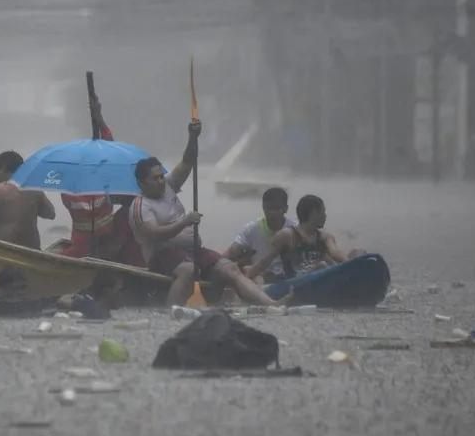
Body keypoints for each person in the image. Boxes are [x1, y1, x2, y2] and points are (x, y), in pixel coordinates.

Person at [129, 119, 290, 308]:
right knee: (189, 270)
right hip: (162, 256)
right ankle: (170, 312)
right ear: (142, 184)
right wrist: (184, 222)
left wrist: (193, 137)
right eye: (154, 179)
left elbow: (188, 161)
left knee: (231, 268)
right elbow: (155, 233)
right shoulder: (140, 206)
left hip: (193, 251)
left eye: (160, 176)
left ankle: (272, 305)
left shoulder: (169, 186)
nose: (160, 181)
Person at [245, 194, 365, 281]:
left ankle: (354, 278)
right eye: (322, 212)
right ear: (313, 213)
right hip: (297, 281)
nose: (325, 216)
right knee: (322, 265)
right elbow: (265, 261)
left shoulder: (324, 236)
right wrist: (245, 279)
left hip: (324, 274)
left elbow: (335, 253)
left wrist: (351, 264)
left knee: (358, 252)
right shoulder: (286, 235)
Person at [59, 94, 117, 259]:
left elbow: (110, 151)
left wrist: (99, 118)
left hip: (103, 245)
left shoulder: (67, 187)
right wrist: (99, 119)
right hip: (83, 248)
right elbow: (110, 151)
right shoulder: (70, 189)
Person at [224, 187, 296, 284]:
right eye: (268, 208)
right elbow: (232, 251)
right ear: (263, 207)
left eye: (276, 209)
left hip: (289, 276)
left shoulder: (295, 228)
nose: (272, 213)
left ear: (285, 209)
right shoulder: (252, 228)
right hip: (260, 275)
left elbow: (321, 236)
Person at [55, 270, 123, 319]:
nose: (121, 295)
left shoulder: (102, 313)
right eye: (119, 290)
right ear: (107, 292)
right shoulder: (90, 307)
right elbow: (62, 300)